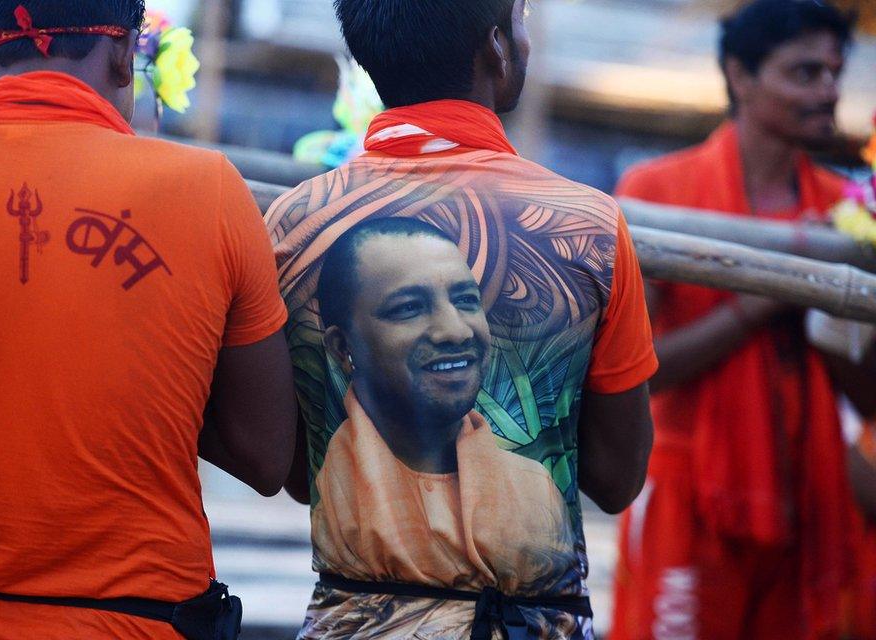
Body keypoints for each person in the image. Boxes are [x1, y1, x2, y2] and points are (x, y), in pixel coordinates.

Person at [0, 1, 297, 638]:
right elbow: (268, 457)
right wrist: (157, 375)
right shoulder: (209, 193)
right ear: (123, 56)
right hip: (137, 624)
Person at [265, 0, 658, 637]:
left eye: (465, 299)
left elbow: (291, 470)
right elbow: (617, 480)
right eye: (523, 19)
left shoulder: (292, 225)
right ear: (497, 47)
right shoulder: (587, 226)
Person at [608, 2, 860, 639]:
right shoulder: (658, 191)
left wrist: (827, 310)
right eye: (805, 73)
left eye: (835, 73)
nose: (828, 91)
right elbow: (629, 374)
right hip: (687, 495)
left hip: (809, 494)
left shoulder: (846, 214)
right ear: (739, 76)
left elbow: (870, 395)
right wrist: (762, 301)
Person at [310, 219, 577, 638]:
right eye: (408, 308)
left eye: (466, 300)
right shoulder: (331, 483)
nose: (455, 330)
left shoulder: (533, 488)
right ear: (343, 348)